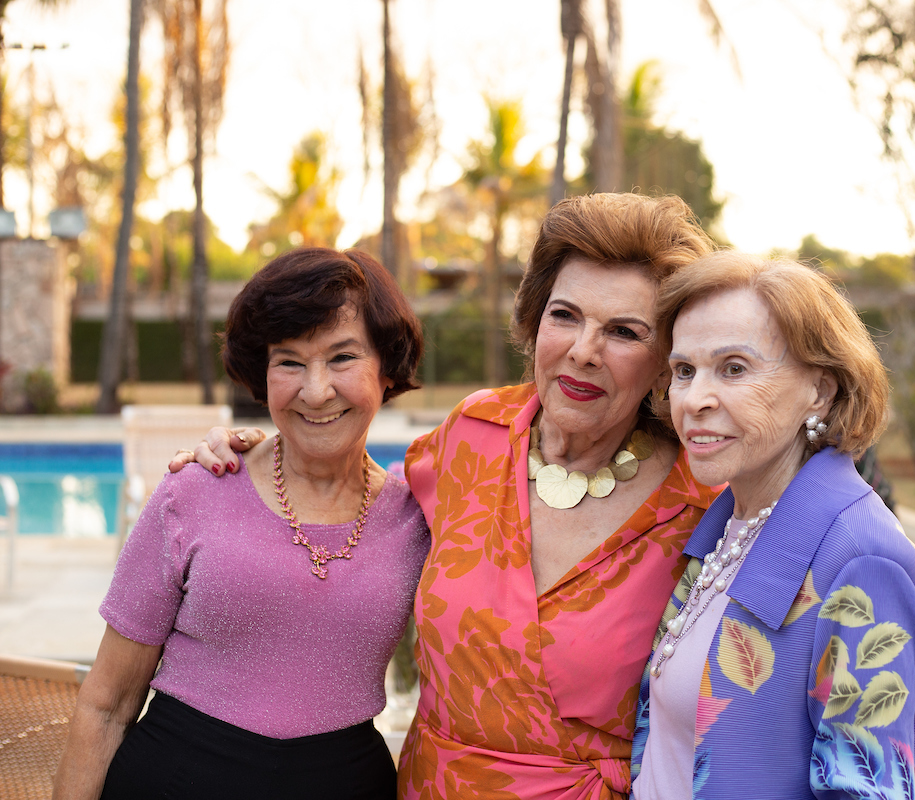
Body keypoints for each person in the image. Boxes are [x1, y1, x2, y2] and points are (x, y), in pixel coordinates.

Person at [171, 193, 724, 800]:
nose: (584, 350)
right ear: (536, 321)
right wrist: (259, 453)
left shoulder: (702, 503)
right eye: (564, 316)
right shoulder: (474, 435)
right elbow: (361, 498)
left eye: (624, 331)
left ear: (668, 361)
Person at [53, 248, 430, 800]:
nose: (316, 390)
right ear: (262, 372)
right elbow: (106, 704)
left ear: (386, 367)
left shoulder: (419, 519)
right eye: (290, 361)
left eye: (342, 358)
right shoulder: (196, 489)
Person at [629, 252, 915, 800]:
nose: (694, 400)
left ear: (820, 390)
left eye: (734, 368)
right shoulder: (727, 524)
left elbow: (862, 788)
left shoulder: (859, 562)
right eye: (684, 370)